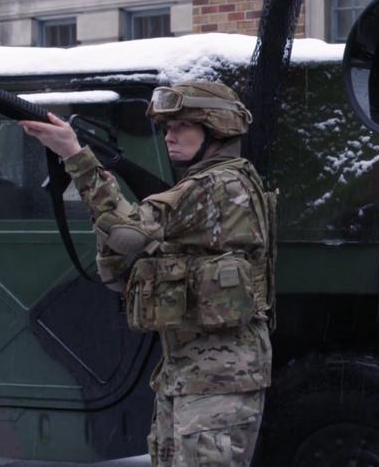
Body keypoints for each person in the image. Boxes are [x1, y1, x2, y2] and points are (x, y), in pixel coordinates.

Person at [20, 82, 275, 467]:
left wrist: (75, 155)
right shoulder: (224, 181)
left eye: (182, 126)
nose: (169, 136)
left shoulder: (215, 185)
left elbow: (126, 232)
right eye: (167, 127)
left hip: (214, 381)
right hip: (191, 373)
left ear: (217, 127)